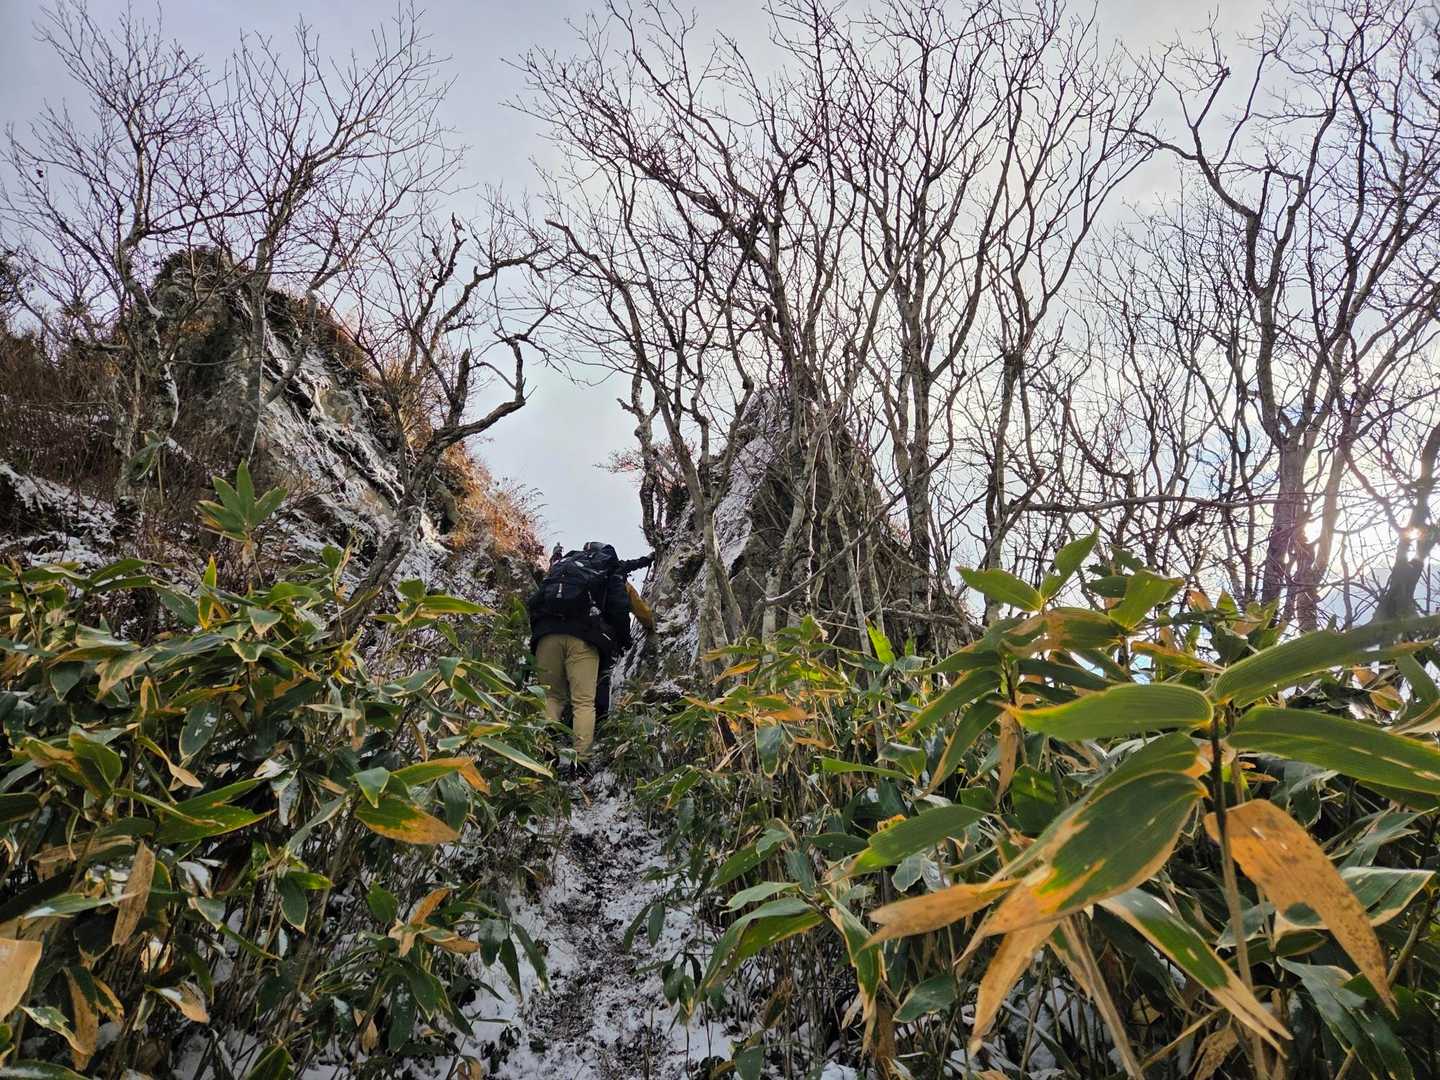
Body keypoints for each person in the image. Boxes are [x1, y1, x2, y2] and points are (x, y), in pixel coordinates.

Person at [527, 542, 651, 767]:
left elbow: (534, 602)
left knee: (552, 697)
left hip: (546, 635)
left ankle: (546, 754)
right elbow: (623, 606)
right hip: (584, 638)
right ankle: (581, 761)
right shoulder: (608, 571)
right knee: (583, 702)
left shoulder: (563, 568)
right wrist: (629, 637)